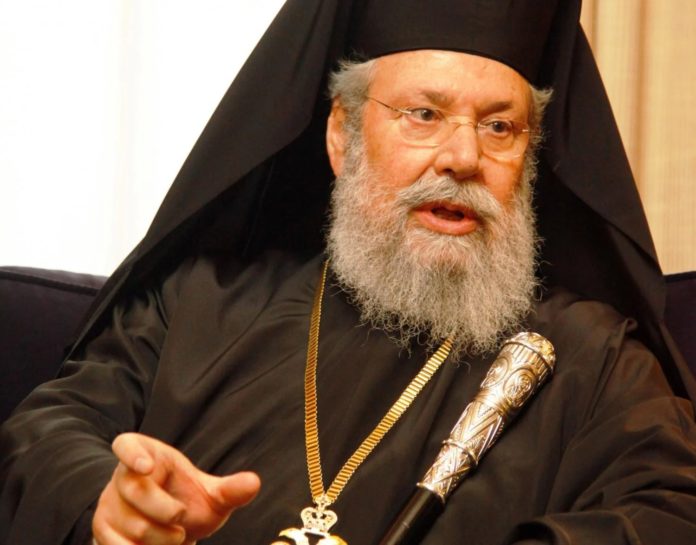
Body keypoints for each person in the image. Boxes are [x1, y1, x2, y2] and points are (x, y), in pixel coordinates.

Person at [1, 1, 695, 544]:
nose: (463, 157)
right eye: (424, 114)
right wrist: (108, 501)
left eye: (498, 127)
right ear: (342, 134)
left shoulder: (594, 359)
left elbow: (672, 509)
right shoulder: (197, 303)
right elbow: (47, 430)